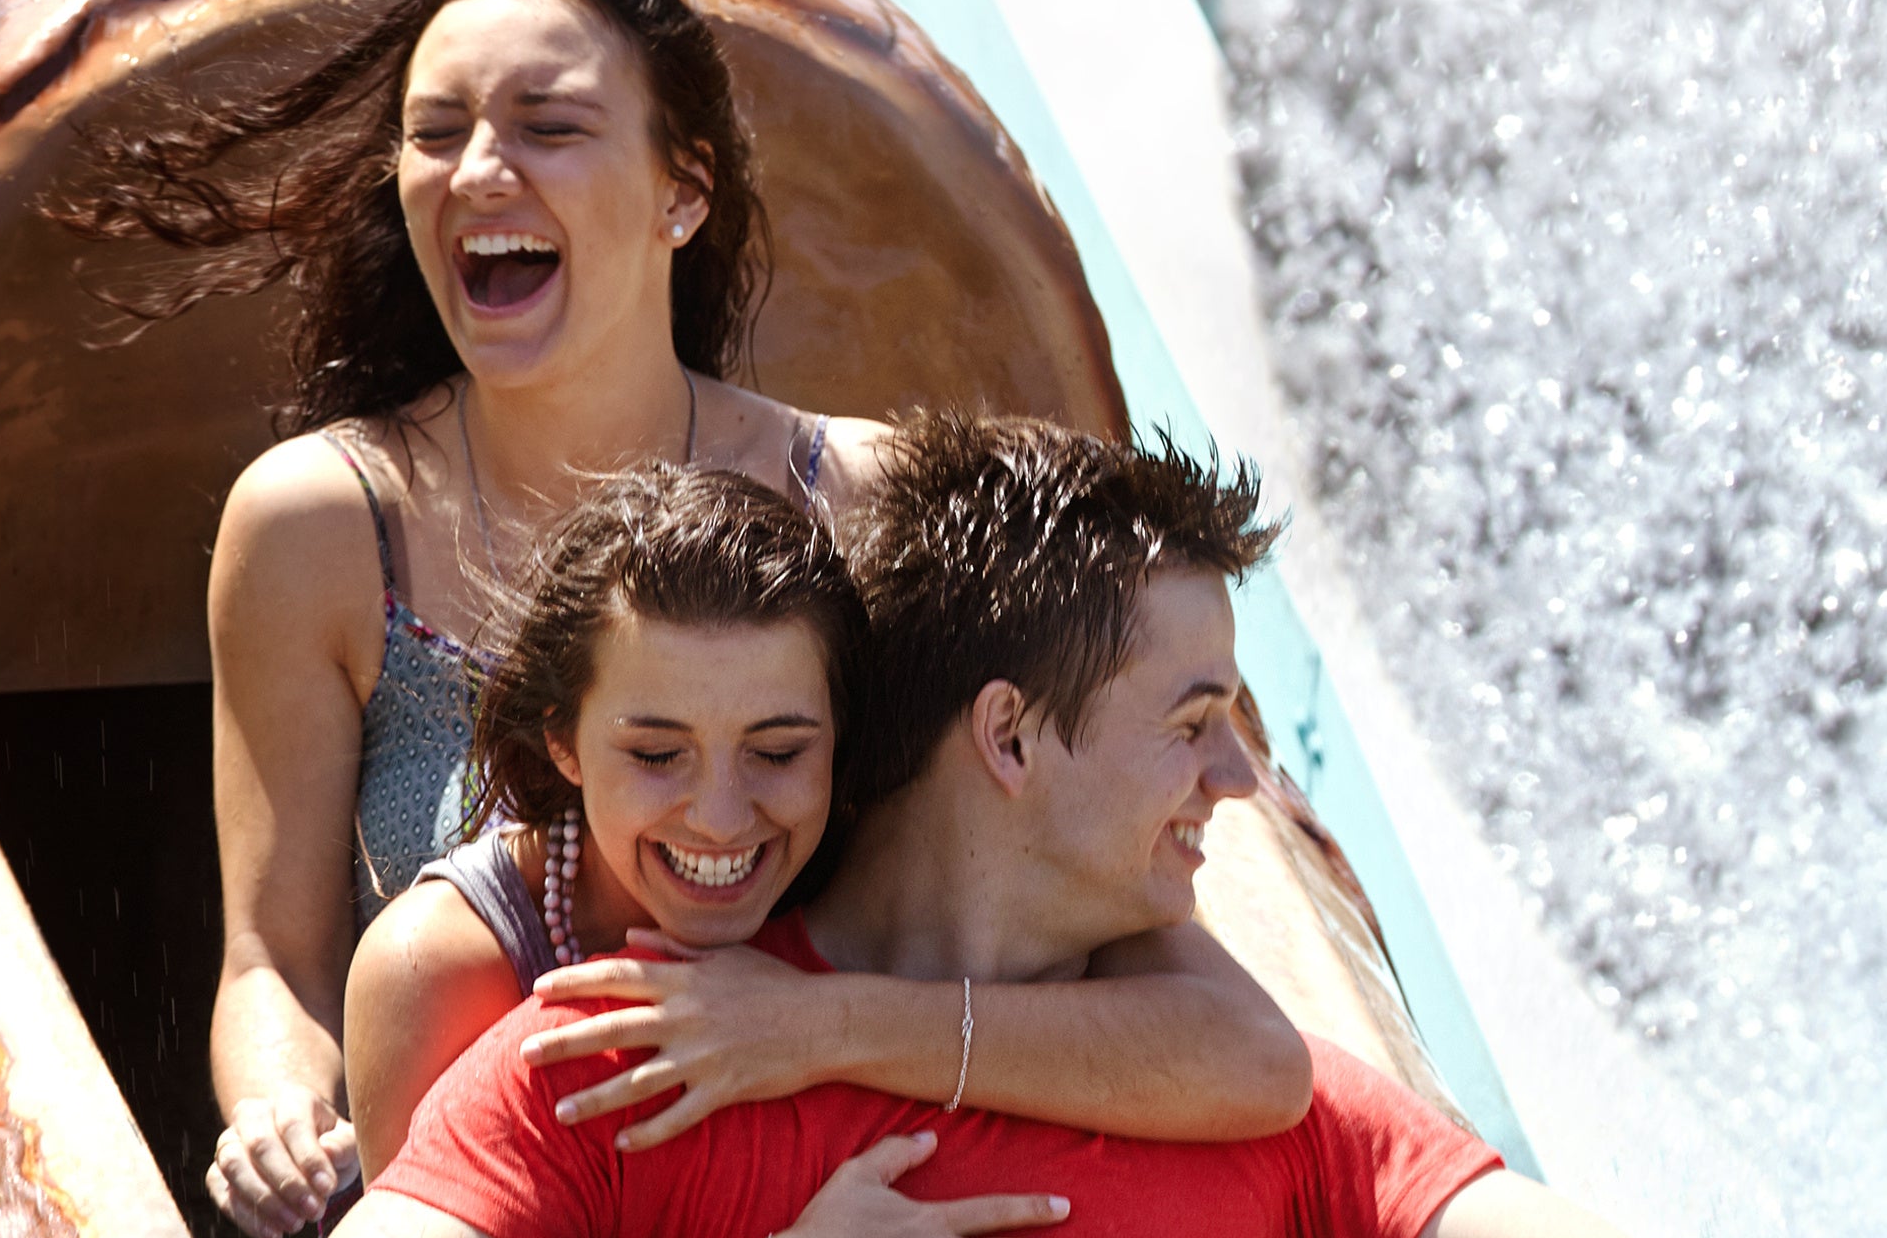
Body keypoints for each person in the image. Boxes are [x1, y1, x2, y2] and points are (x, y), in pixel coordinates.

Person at [204, 416, 1774, 1238]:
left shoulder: (1260, 1110)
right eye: (1191, 724)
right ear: (1010, 738)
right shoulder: (630, 1059)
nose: (1239, 781)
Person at [125, 0, 876, 1238]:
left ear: (681, 190)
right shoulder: (319, 524)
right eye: (438, 131)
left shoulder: (851, 497)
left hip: (835, 1220)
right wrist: (278, 1111)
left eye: (550, 125)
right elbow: (273, 966)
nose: (480, 169)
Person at [344, 461, 1306, 1187]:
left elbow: (1256, 1058)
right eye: (655, 754)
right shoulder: (444, 966)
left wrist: (815, 1023)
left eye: (777, 752)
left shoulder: (851, 857)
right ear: (563, 743)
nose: (721, 819)